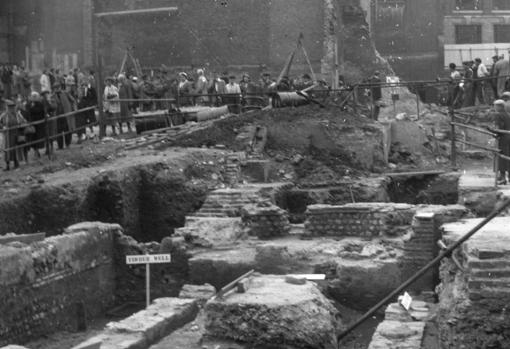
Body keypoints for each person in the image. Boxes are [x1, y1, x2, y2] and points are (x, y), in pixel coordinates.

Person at [490, 100, 510, 184]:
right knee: (508, 156)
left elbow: (498, 128)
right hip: (508, 137)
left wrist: (492, 130)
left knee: (501, 157)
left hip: (502, 138)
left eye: (495, 106)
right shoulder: (508, 115)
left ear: (500, 106)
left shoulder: (498, 115)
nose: (494, 107)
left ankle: (502, 178)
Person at [0, 100, 24, 170]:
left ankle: (16, 164)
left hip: (16, 134)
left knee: (15, 149)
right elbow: (0, 123)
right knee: (7, 150)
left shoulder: (17, 114)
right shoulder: (4, 115)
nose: (11, 108)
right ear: (7, 107)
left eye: (12, 106)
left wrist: (20, 124)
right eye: (10, 107)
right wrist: (2, 126)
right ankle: (7, 165)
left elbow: (22, 121)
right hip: (7, 135)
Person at [53, 82, 76, 149]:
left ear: (60, 87)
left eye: (58, 87)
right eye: (55, 88)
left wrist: (74, 108)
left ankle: (68, 144)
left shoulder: (66, 93)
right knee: (58, 131)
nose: (57, 89)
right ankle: (60, 146)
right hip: (57, 116)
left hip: (66, 115)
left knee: (67, 130)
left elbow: (73, 100)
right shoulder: (52, 96)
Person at [26, 91, 46, 158]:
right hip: (32, 125)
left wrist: (32, 108)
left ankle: (38, 151)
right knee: (33, 139)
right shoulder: (28, 104)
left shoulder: (40, 104)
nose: (34, 98)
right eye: (33, 96)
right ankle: (36, 152)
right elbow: (27, 112)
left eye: (35, 96)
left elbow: (39, 111)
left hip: (39, 125)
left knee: (39, 138)